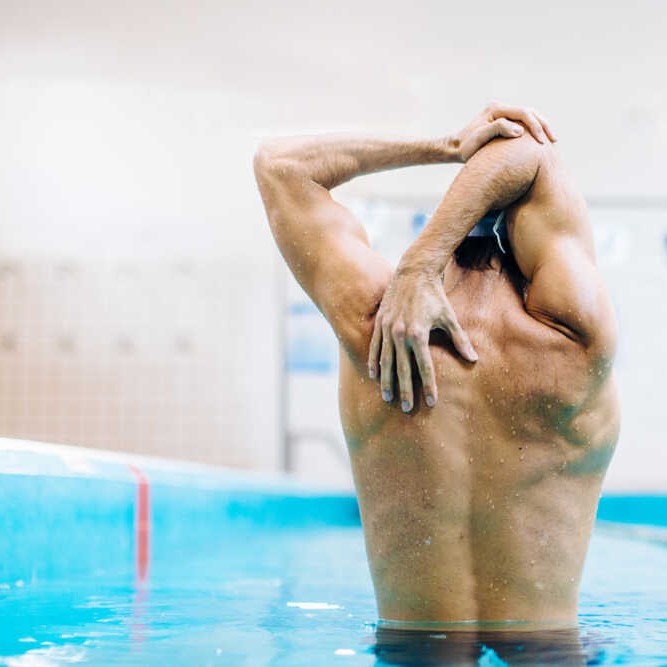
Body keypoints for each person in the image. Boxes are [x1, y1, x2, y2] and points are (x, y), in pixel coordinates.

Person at [253, 102, 619, 640]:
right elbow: (529, 151)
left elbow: (280, 165)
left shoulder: (374, 330)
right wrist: (424, 257)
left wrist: (446, 149)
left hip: (413, 651)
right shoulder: (574, 339)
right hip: (548, 652)